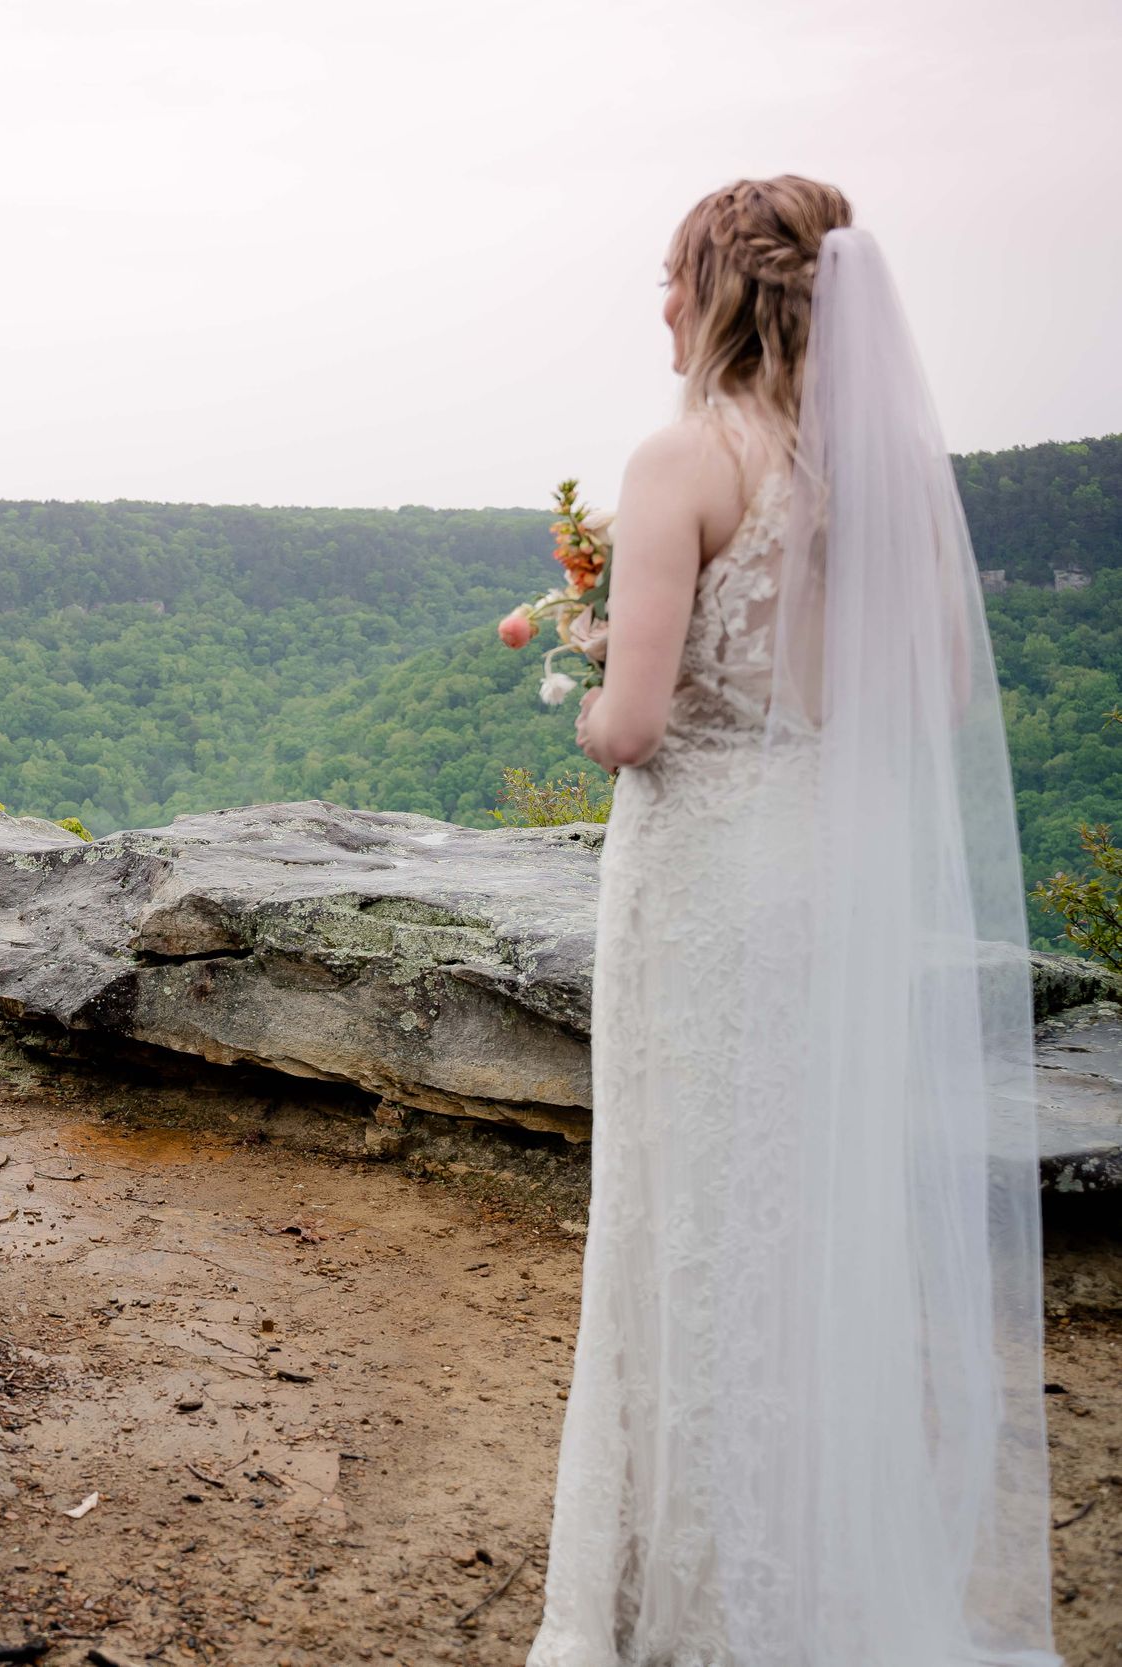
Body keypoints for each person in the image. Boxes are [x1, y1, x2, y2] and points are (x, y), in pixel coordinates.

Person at [532, 179, 1058, 1665]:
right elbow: (933, 700)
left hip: (705, 884)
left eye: (669, 275)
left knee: (682, 1223)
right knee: (798, 1232)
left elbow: (634, 728)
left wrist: (588, 683)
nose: (658, 303)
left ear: (718, 289)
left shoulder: (682, 459)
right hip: (829, 885)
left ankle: (687, 1607)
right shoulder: (878, 470)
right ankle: (804, 1575)